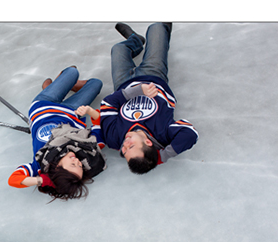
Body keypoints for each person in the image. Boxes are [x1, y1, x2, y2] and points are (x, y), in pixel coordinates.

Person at [77, 23, 199, 175]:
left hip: (123, 82)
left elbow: (108, 103)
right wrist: (161, 157)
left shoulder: (114, 138)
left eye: (124, 151)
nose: (125, 145)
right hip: (153, 74)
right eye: (131, 146)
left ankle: (135, 40)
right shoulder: (163, 134)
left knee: (118, 49)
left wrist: (137, 91)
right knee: (157, 28)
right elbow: (190, 133)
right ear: (148, 142)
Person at [8, 66, 106, 201]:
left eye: (73, 164)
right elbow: (99, 124)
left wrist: (42, 180)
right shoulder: (88, 151)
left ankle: (52, 87)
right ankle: (61, 85)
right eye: (80, 166)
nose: (77, 161)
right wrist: (89, 111)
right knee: (96, 83)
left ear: (58, 168)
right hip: (72, 111)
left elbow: (14, 180)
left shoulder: (40, 163)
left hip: (44, 105)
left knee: (72, 72)